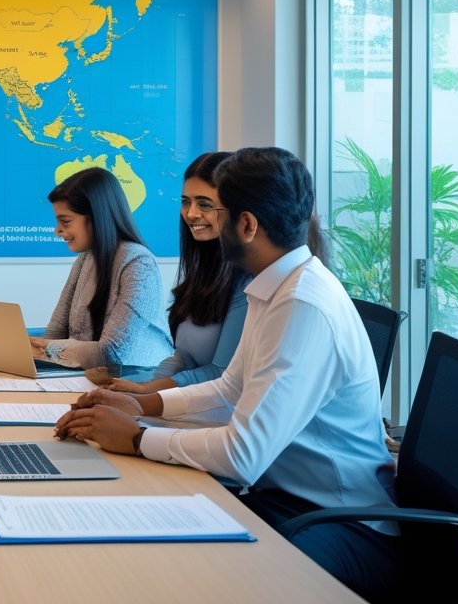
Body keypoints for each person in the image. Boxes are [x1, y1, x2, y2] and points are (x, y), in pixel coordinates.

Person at [55, 147, 400, 602]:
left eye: (215, 210)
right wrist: (142, 404)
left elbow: (244, 455)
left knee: (209, 579)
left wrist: (137, 437)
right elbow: (229, 387)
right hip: (282, 494)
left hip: (341, 520)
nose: (205, 223)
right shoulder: (273, 284)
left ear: (248, 224)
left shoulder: (302, 305)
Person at [109, 152, 249, 392]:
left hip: (214, 410)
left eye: (204, 204)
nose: (191, 213)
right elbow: (183, 357)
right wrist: (142, 384)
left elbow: (222, 375)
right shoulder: (203, 271)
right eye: (186, 201)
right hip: (186, 402)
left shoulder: (249, 282)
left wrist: (150, 392)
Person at [27, 167, 173, 369]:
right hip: (88, 378)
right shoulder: (85, 260)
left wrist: (48, 347)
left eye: (65, 221)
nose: (57, 231)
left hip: (136, 383)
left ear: (97, 217)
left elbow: (111, 353)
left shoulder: (139, 264)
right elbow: (56, 332)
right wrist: (32, 347)